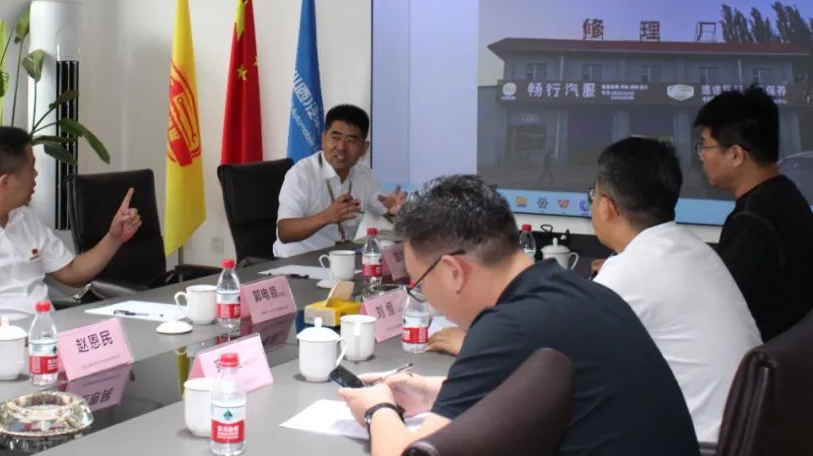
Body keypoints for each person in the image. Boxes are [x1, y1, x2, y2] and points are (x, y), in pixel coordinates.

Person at [337, 175, 698, 456]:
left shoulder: (507, 327)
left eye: (420, 284)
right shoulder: (567, 291)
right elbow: (532, 394)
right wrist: (434, 393)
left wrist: (378, 410)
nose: (424, 295)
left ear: (453, 272)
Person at [590, 136, 760, 442]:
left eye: (593, 194)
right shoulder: (694, 248)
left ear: (606, 207)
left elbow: (564, 354)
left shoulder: (630, 270)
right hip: (747, 435)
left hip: (702, 445)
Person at [0, 126, 141, 331]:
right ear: (5, 182)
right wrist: (4, 328)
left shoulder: (25, 219)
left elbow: (72, 272)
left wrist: (114, 238)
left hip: (44, 337)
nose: (36, 175)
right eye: (31, 169)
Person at [694, 86, 813, 340]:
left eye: (705, 146)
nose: (702, 156)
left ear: (736, 154)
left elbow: (720, 309)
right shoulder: (784, 195)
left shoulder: (752, 222)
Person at [273, 104, 406, 257]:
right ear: (323, 139)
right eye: (335, 138)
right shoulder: (301, 174)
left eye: (351, 141)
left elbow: (385, 213)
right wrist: (326, 217)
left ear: (364, 148)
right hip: (296, 261)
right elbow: (284, 231)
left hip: (340, 259)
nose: (341, 147)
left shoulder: (365, 176)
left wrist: (394, 212)